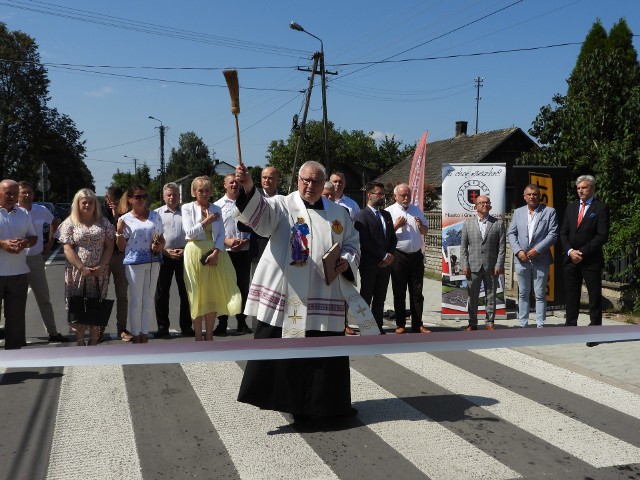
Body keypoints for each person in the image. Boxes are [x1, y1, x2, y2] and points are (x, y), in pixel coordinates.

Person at [235, 161, 377, 422]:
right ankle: (287, 402)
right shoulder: (282, 205)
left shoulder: (339, 213)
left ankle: (326, 406)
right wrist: (247, 186)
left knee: (323, 353)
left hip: (325, 295)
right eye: (305, 180)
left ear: (324, 184)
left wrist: (346, 260)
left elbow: (352, 243)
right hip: (288, 293)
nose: (309, 186)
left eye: (315, 181)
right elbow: (260, 220)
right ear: (297, 180)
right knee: (282, 351)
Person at [182, 176, 242, 341]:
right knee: (196, 293)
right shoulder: (187, 208)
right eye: (200, 190)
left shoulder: (216, 208)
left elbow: (221, 233)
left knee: (212, 294)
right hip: (194, 252)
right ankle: (197, 336)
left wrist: (216, 252)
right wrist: (206, 220)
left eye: (207, 190)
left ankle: (209, 335)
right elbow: (189, 233)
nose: (204, 193)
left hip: (214, 253)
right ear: (194, 192)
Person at [58, 189, 114, 346]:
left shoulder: (103, 223)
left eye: (91, 202)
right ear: (77, 204)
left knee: (97, 303)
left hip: (99, 272)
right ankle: (80, 340)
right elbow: (67, 248)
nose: (88, 205)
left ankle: (95, 339)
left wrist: (102, 266)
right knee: (78, 303)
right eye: (84, 202)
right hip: (77, 272)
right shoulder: (70, 223)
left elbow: (110, 246)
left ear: (96, 204)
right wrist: (81, 267)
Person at [17, 181, 68, 342]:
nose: (27, 195)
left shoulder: (41, 210)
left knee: (43, 298)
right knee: (17, 300)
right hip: (16, 261)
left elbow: (54, 222)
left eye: (29, 192)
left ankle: (52, 332)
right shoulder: (13, 211)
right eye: (23, 192)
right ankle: (18, 335)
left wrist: (50, 242)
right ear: (18, 195)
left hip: (35, 260)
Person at [116, 185, 165, 343]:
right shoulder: (124, 219)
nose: (142, 200)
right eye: (138, 197)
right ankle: (136, 333)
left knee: (149, 298)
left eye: (144, 196)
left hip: (153, 261)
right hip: (134, 262)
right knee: (136, 300)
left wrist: (160, 245)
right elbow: (121, 246)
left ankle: (145, 333)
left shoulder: (155, 216)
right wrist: (118, 232)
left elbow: (161, 238)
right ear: (130, 199)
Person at [559, 175, 609, 326]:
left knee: (594, 296)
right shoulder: (571, 207)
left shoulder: (600, 208)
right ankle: (571, 325)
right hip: (570, 259)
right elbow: (563, 232)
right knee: (571, 294)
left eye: (584, 187)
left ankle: (595, 328)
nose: (581, 191)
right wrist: (570, 252)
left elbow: (602, 235)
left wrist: (582, 252)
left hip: (590, 260)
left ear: (592, 188)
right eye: (578, 188)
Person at [507, 184, 558, 328]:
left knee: (540, 293)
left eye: (535, 194)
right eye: (529, 194)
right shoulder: (518, 212)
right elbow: (511, 233)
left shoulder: (549, 212)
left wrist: (538, 249)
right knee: (523, 293)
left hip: (540, 259)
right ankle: (523, 323)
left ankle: (540, 324)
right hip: (521, 259)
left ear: (539, 196)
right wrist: (518, 251)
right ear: (524, 197)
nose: (532, 197)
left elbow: (553, 234)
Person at [385, 184, 431, 334]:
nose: (406, 198)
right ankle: (400, 324)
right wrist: (396, 225)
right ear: (395, 196)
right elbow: (384, 235)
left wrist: (420, 226)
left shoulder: (416, 209)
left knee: (417, 292)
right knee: (399, 291)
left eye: (408, 195)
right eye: (403, 195)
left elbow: (425, 230)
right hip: (399, 255)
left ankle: (418, 324)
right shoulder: (389, 211)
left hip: (416, 255)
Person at [353, 182, 396, 334]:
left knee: (380, 297)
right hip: (369, 263)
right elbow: (364, 241)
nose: (381, 197)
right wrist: (383, 255)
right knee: (366, 296)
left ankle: (377, 326)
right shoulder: (361, 216)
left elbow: (392, 237)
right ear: (369, 195)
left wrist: (390, 256)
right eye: (378, 194)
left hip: (385, 264)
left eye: (382, 194)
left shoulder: (386, 215)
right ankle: (365, 325)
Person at [460, 195, 506, 331]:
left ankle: (489, 322)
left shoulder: (498, 224)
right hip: (472, 266)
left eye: (487, 203)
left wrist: (499, 265)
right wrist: (464, 265)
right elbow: (463, 247)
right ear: (476, 206)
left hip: (491, 266)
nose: (484, 205)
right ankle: (472, 322)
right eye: (481, 203)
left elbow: (502, 247)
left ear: (490, 206)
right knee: (472, 296)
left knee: (491, 295)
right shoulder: (467, 224)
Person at [154, 183, 194, 338]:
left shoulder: (187, 212)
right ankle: (163, 327)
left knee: (186, 293)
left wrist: (185, 249)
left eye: (175, 195)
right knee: (162, 294)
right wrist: (164, 250)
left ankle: (186, 327)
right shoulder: (156, 214)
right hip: (164, 256)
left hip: (184, 255)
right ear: (164, 197)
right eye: (169, 195)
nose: (172, 197)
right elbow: (153, 237)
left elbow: (194, 234)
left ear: (179, 196)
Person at [0, 179, 37, 349]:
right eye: (8, 193)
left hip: (18, 273)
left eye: (15, 193)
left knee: (16, 318)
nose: (12, 196)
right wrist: (2, 244)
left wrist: (24, 243)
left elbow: (33, 237)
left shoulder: (24, 213)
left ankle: (13, 355)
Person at [214, 173, 252, 335]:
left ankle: (242, 322)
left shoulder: (247, 203)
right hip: (226, 252)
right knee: (224, 288)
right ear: (224, 185)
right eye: (231, 183)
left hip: (244, 251)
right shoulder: (217, 206)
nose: (234, 185)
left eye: (237, 183)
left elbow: (254, 225)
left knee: (243, 287)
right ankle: (222, 322)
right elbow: (214, 231)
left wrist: (246, 240)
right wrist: (226, 241)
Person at [103, 185, 132, 341]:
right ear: (106, 199)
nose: (113, 204)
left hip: (121, 256)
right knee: (102, 294)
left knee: (122, 295)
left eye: (117, 201)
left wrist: (118, 215)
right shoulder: (100, 211)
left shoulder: (127, 212)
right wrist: (113, 216)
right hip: (104, 257)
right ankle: (99, 329)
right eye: (110, 201)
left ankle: (122, 328)